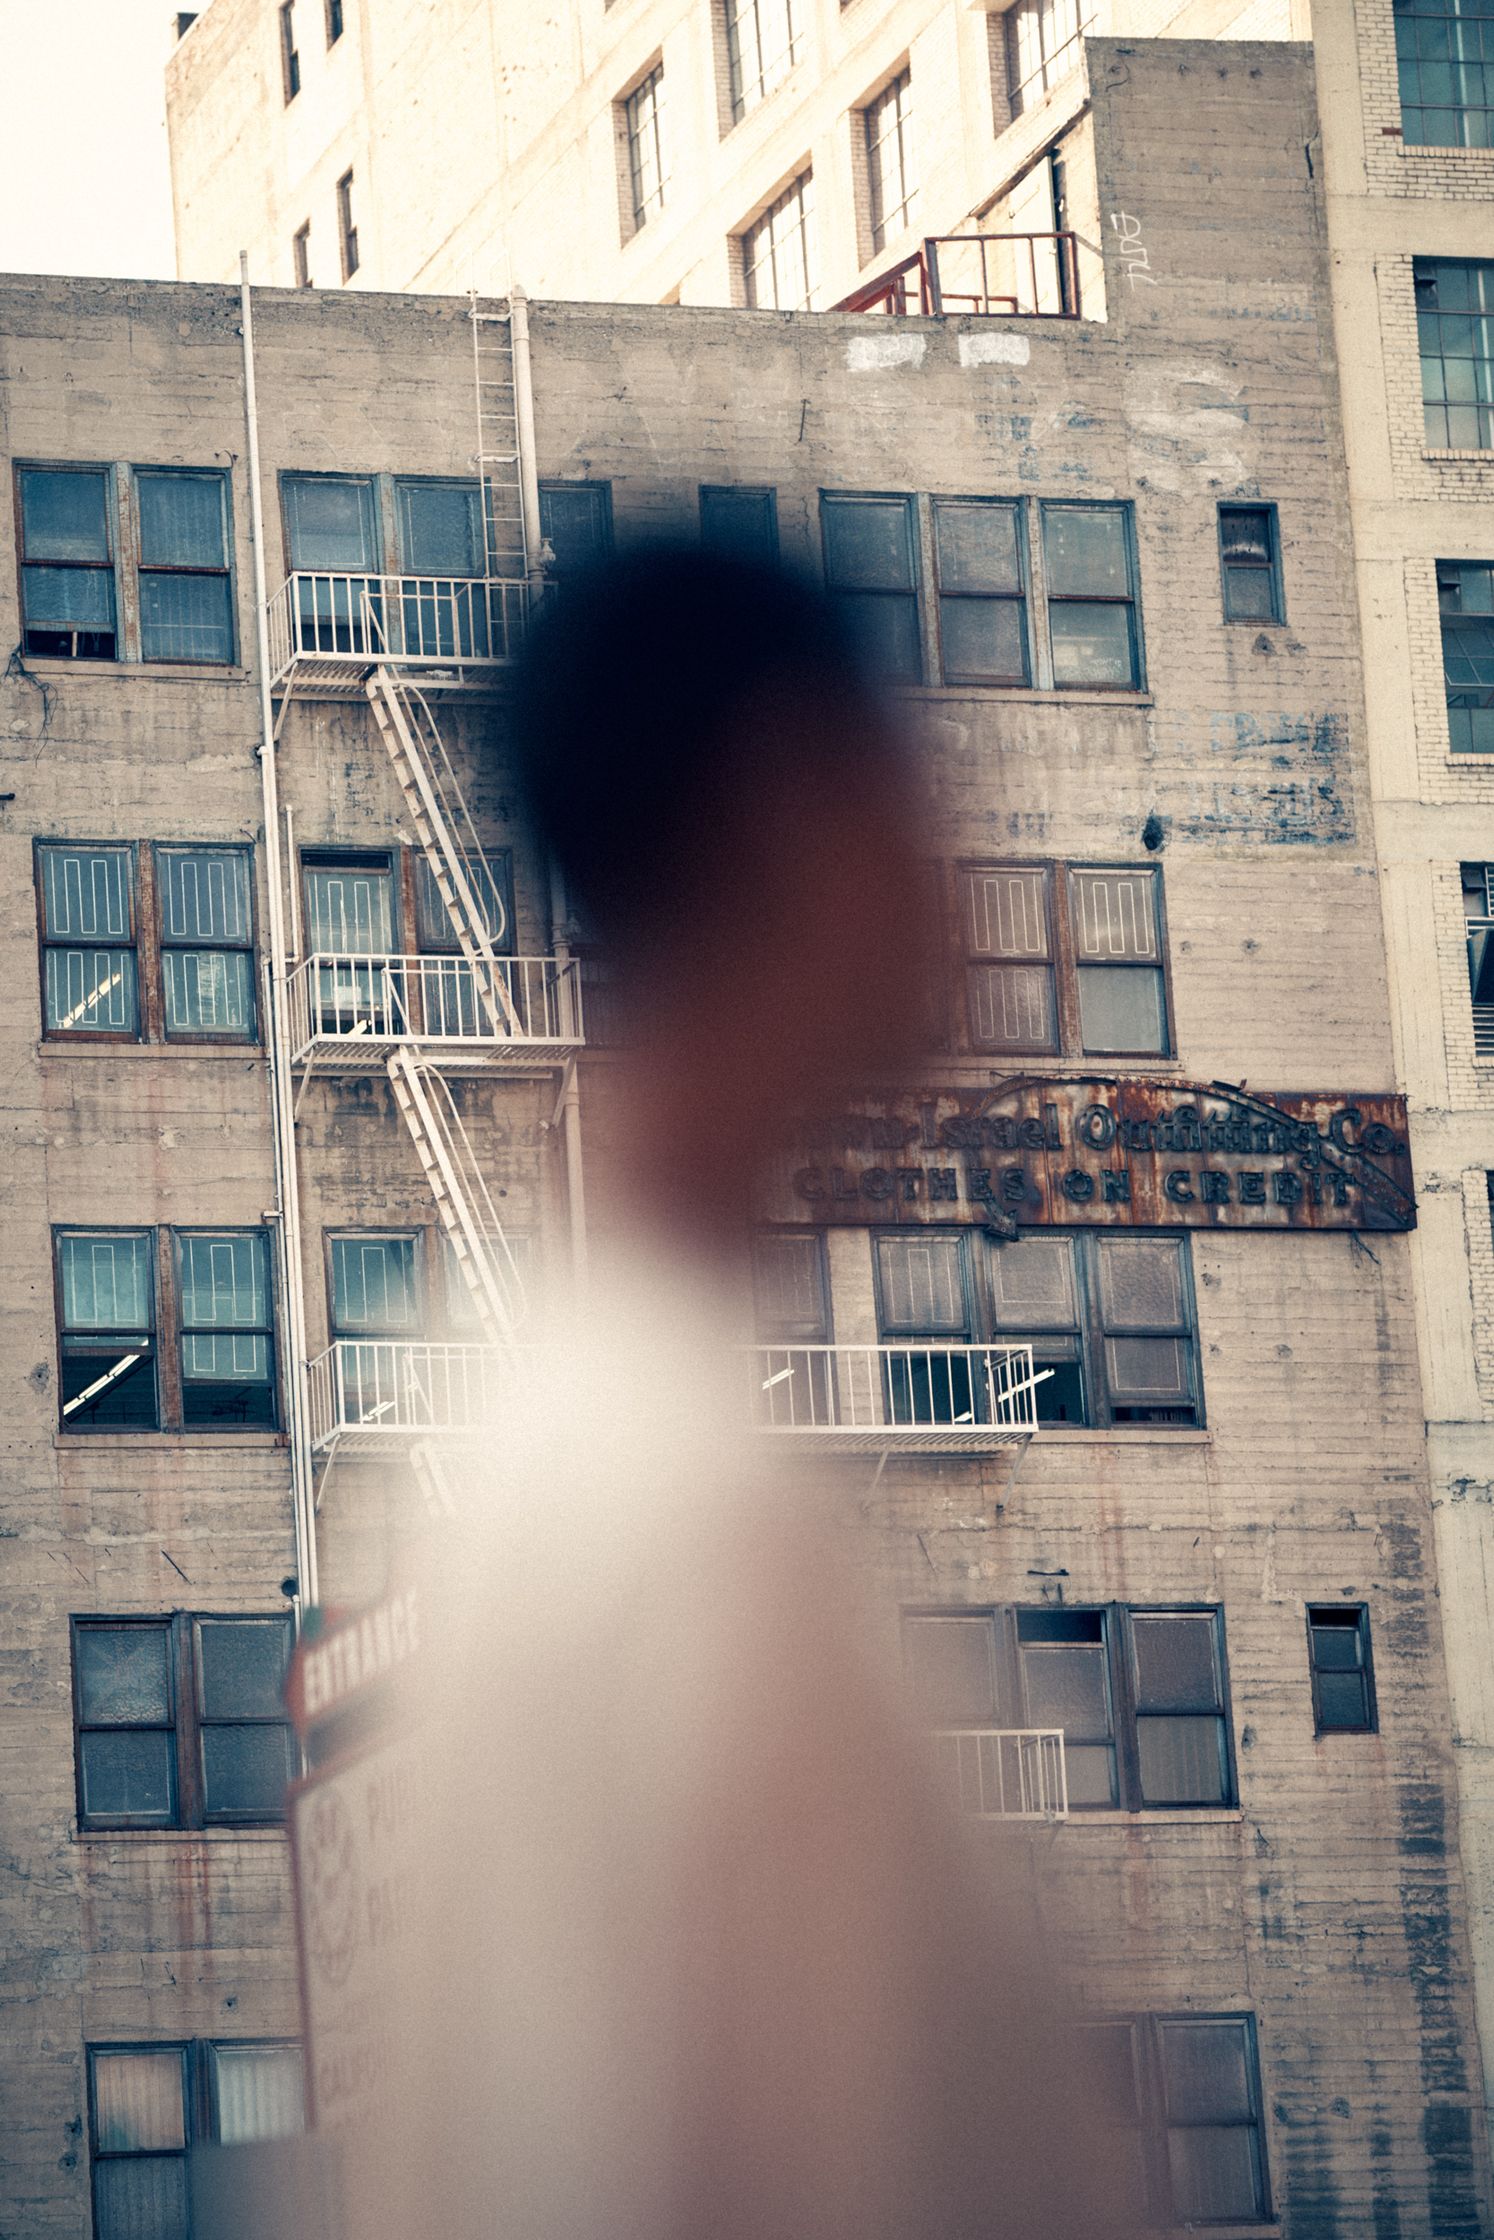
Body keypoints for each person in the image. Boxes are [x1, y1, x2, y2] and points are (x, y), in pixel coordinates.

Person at [340, 549, 1128, 2240]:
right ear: (788, 807)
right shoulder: (684, 1519)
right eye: (916, 774)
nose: (957, 860)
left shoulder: (557, 1448)